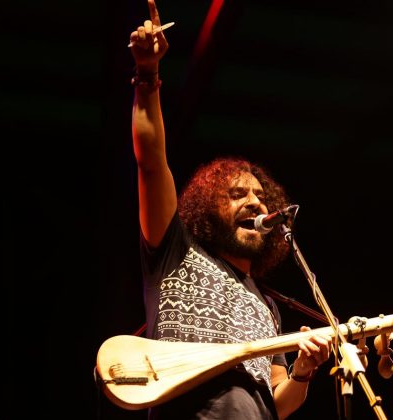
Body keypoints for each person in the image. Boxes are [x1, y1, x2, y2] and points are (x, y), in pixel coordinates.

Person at [127, 1, 332, 418]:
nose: (254, 202)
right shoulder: (174, 251)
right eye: (237, 194)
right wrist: (148, 74)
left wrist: (304, 372)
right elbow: (151, 161)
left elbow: (277, 403)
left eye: (260, 197)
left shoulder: (268, 307)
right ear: (208, 208)